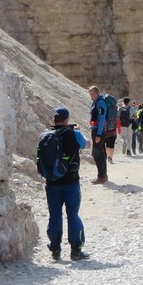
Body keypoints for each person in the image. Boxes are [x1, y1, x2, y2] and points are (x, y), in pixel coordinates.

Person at [38, 107, 88, 261]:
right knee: (72, 214)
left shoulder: (45, 135)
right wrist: (77, 131)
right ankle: (76, 250)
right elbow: (87, 145)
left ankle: (55, 249)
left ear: (54, 120)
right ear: (66, 120)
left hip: (52, 182)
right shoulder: (74, 133)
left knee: (54, 215)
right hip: (71, 182)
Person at [87, 85, 111, 183]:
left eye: (93, 93)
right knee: (100, 152)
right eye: (90, 94)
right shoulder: (96, 102)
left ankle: (102, 176)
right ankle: (102, 175)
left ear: (97, 93)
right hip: (96, 129)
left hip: (99, 130)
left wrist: (99, 134)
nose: (91, 95)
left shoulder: (100, 102)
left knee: (96, 152)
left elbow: (102, 118)